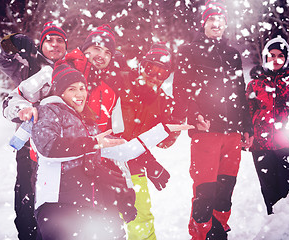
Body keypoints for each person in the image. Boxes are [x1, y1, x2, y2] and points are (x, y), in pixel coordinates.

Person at [31, 64, 193, 239]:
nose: (79, 94)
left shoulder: (90, 124)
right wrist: (93, 143)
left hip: (92, 206)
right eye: (72, 89)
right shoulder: (49, 111)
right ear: (60, 92)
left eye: (82, 88)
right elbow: (48, 146)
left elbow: (124, 151)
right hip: (59, 204)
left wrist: (163, 130)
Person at [172, 0, 254, 239]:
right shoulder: (189, 50)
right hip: (205, 132)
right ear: (203, 23)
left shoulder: (233, 54)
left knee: (225, 189)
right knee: (204, 191)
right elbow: (182, 89)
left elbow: (240, 93)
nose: (216, 24)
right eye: (211, 19)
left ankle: (219, 231)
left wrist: (246, 126)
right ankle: (201, 234)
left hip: (232, 134)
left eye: (220, 20)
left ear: (225, 24)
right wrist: (195, 114)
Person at [0, 21, 67, 240]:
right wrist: (10, 42)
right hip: (28, 147)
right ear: (40, 45)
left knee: (58, 211)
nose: (54, 45)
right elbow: (0, 57)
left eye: (59, 41)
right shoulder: (27, 65)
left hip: (60, 151)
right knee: (27, 207)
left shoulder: (72, 69)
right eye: (49, 40)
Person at [111, 43, 178, 239]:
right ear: (141, 66)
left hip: (135, 167)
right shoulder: (121, 83)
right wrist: (150, 162)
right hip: (105, 163)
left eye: (162, 73)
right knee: (107, 220)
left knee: (141, 218)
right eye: (151, 69)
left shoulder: (162, 100)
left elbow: (163, 143)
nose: (155, 77)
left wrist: (175, 122)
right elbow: (122, 134)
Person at [246, 36, 289, 215]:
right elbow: (247, 114)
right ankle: (273, 228)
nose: (275, 60)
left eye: (280, 56)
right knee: (270, 194)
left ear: (287, 58)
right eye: (271, 55)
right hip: (261, 148)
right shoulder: (254, 85)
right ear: (265, 57)